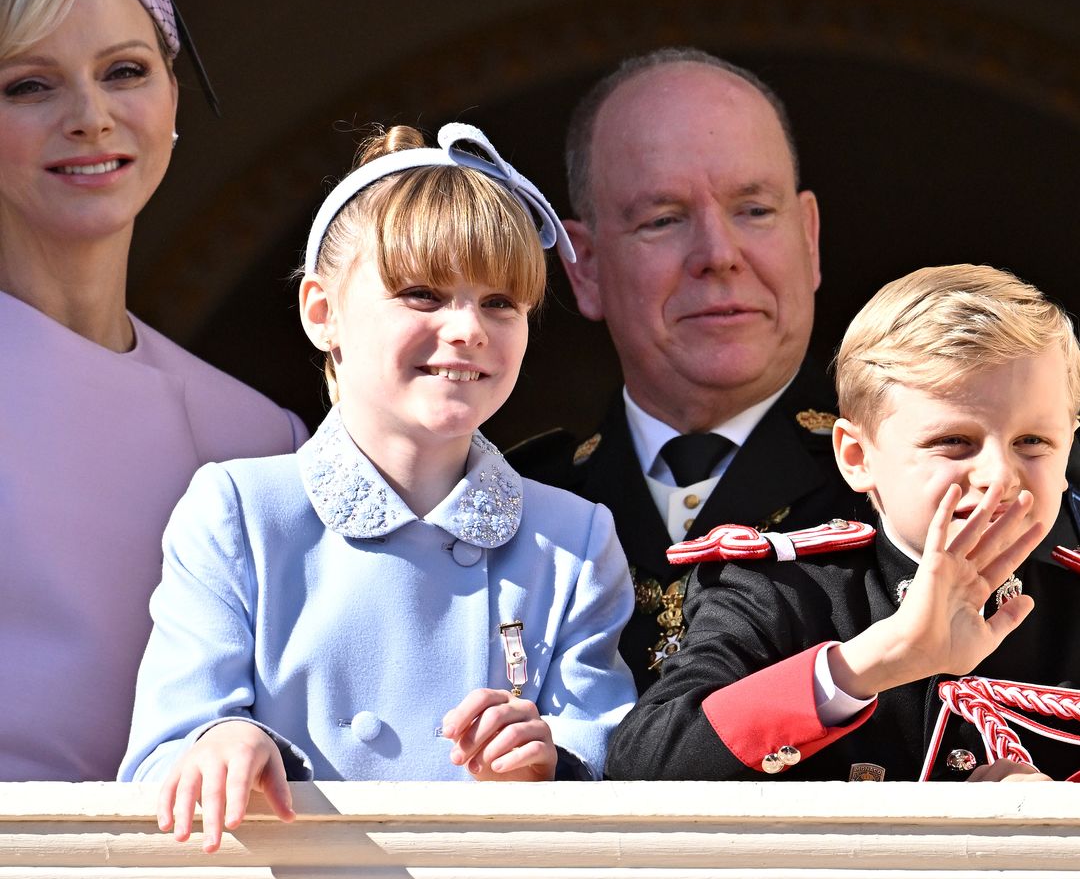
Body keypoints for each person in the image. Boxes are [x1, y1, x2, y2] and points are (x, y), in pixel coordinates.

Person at [119, 122, 636, 851]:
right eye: (423, 294)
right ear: (322, 314)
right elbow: (157, 760)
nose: (468, 328)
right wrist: (226, 743)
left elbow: (617, 762)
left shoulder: (576, 540)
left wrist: (550, 760)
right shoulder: (237, 510)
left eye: (500, 303)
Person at [0, 0, 307, 782]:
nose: (91, 117)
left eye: (125, 72)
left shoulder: (263, 439)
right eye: (29, 85)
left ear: (173, 96)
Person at [606, 264, 1080, 782]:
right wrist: (872, 661)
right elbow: (646, 765)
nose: (998, 476)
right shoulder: (777, 594)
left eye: (1033, 442)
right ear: (857, 456)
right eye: (954, 442)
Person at [509, 47, 870, 692]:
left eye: (754, 211)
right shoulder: (521, 502)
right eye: (664, 220)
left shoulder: (922, 480)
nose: (718, 254)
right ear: (584, 267)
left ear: (809, 239)